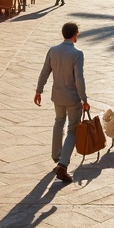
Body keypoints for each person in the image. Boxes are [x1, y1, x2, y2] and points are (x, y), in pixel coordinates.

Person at [34, 22, 90, 184]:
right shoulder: (77, 54)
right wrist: (84, 99)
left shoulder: (53, 50)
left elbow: (45, 71)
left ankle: (56, 155)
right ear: (75, 34)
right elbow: (79, 78)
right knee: (72, 130)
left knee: (58, 122)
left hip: (57, 96)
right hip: (72, 98)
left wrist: (39, 90)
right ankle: (63, 164)